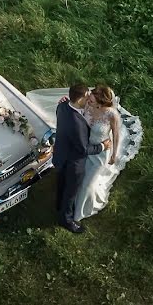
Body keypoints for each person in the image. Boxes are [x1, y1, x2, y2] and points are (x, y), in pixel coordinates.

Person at [53, 83, 111, 233]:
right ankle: (66, 220)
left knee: (61, 183)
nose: (88, 99)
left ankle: (58, 204)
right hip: (74, 163)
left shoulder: (62, 107)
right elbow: (84, 149)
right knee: (70, 193)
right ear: (80, 99)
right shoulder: (77, 123)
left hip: (60, 156)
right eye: (86, 96)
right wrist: (103, 146)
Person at [73, 84, 122, 221]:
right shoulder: (87, 105)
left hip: (101, 154)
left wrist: (114, 154)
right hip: (86, 149)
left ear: (101, 103)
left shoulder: (111, 114)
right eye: (89, 99)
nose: (88, 101)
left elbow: (116, 135)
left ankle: (78, 214)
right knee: (79, 178)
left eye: (92, 100)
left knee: (86, 185)